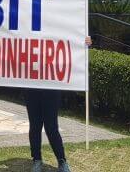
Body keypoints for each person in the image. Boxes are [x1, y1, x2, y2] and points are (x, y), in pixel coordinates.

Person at [26, 36, 92, 172]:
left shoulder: (56, 26)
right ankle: (37, 159)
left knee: (51, 127)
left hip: (52, 83)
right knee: (35, 125)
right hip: (31, 83)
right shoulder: (29, 27)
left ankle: (62, 160)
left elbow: (70, 41)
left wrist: (84, 42)